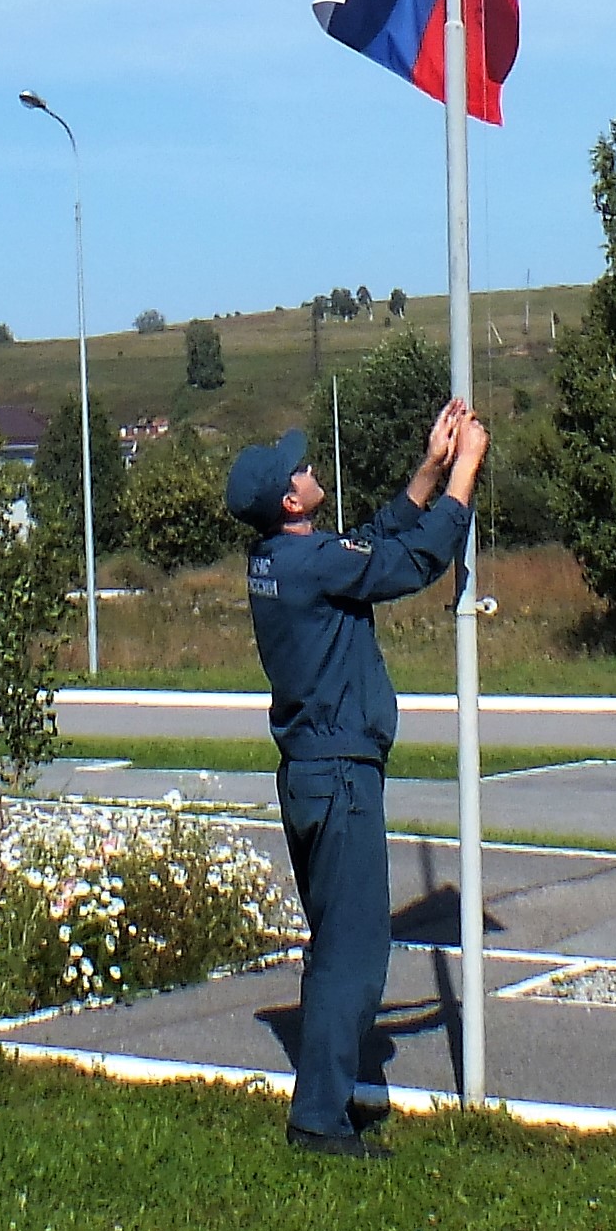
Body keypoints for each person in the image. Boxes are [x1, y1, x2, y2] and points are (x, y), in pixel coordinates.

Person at [231, 399, 487, 1159]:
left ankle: (324, 1097)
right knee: (354, 947)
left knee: (334, 941)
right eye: (301, 470)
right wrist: (465, 473)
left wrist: (429, 469)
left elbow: (368, 541)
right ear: (287, 501)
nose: (312, 472)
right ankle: (318, 1119)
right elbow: (409, 562)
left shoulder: (282, 561)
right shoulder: (310, 564)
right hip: (339, 774)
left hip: (312, 772)